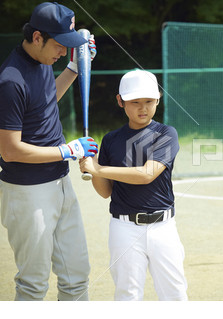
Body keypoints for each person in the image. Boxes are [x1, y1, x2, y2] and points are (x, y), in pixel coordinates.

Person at [0, 2, 98, 301]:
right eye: (60, 46)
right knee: (33, 284)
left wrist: (72, 69)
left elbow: (43, 104)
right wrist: (68, 150)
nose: (62, 52)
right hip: (27, 192)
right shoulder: (10, 80)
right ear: (38, 37)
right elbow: (10, 150)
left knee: (76, 276)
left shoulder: (42, 63)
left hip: (59, 181)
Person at [79, 69, 188, 301]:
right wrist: (93, 165)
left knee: (175, 294)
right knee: (127, 295)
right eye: (135, 102)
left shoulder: (166, 134)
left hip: (163, 226)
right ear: (120, 101)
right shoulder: (110, 140)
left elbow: (147, 174)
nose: (143, 108)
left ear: (158, 99)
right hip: (124, 227)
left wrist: (99, 169)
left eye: (149, 101)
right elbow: (105, 191)